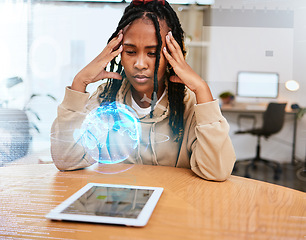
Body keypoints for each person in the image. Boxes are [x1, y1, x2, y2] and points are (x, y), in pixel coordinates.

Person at [51, 0, 236, 181]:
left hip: (177, 207)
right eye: (130, 51)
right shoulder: (106, 98)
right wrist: (79, 83)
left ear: (172, 53)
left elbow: (216, 171)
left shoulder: (190, 105)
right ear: (118, 51)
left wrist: (202, 90)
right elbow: (66, 160)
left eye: (152, 53)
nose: (140, 64)